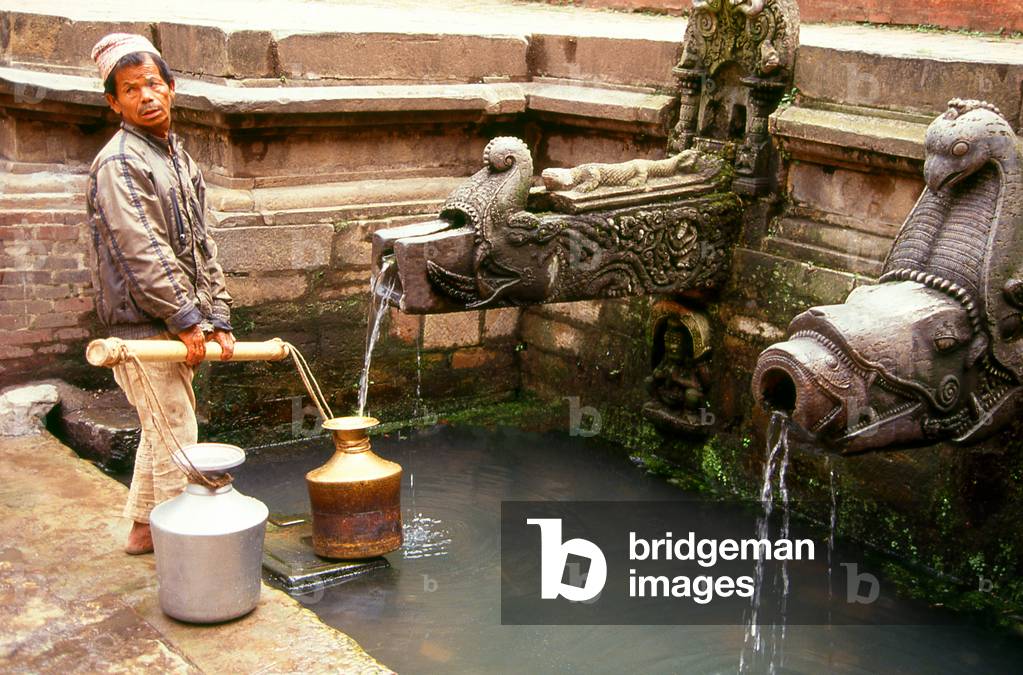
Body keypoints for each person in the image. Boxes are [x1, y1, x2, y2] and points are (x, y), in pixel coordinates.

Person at [87, 33, 236, 554]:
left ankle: (145, 530)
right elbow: (142, 251)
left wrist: (216, 314)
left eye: (153, 83)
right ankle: (183, 548)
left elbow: (202, 245)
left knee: (162, 424)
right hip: (144, 327)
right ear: (114, 103)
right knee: (177, 429)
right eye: (131, 89)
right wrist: (186, 317)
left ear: (171, 88)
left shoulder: (179, 160)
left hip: (172, 323)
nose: (146, 95)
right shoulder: (121, 162)